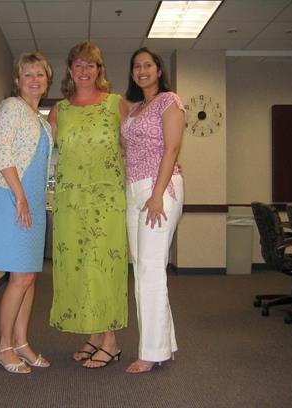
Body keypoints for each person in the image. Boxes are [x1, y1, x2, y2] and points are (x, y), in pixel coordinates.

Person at [48, 41, 129, 369]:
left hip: (107, 201)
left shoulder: (115, 105)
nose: (84, 71)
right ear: (70, 70)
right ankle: (94, 336)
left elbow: (133, 146)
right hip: (70, 201)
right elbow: (42, 153)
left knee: (103, 268)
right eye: (78, 65)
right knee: (78, 267)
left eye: (91, 65)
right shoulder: (59, 111)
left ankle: (110, 340)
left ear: (99, 70)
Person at [0, 52, 53, 374]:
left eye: (40, 74)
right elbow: (2, 154)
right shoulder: (11, 108)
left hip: (34, 202)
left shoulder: (42, 121)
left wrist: (38, 198)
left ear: (47, 80)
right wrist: (20, 196)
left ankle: (22, 342)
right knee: (19, 277)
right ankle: (3, 345)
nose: (34, 80)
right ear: (18, 80)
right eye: (28, 74)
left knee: (30, 275)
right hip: (12, 197)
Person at [121, 47, 185, 373]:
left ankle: (152, 351)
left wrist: (158, 194)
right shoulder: (133, 108)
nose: (142, 70)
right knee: (145, 268)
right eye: (137, 66)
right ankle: (167, 342)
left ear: (158, 70)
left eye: (148, 65)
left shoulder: (169, 101)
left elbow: (172, 148)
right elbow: (126, 150)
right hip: (134, 191)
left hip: (159, 188)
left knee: (149, 270)